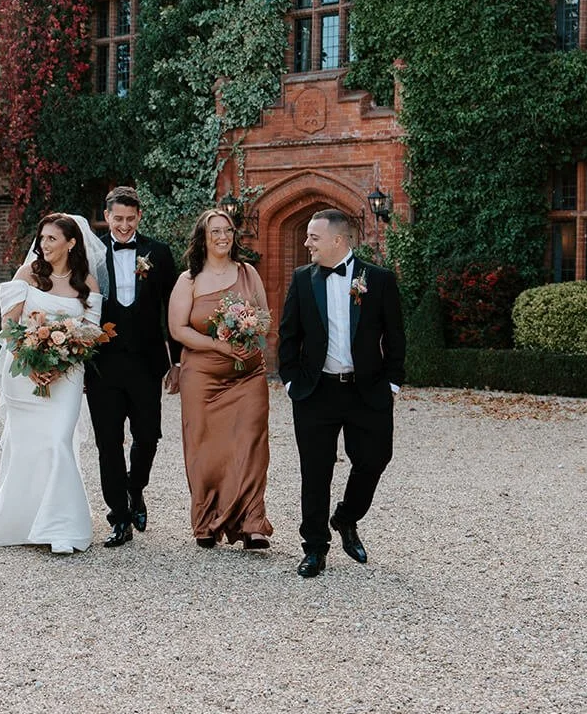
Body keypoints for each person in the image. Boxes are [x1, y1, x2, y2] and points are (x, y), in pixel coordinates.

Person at [277, 208, 405, 578]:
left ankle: (346, 517)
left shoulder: (378, 280)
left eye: (313, 238)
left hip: (367, 390)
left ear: (338, 240)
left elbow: (396, 337)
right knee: (314, 472)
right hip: (315, 392)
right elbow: (288, 336)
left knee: (375, 458)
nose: (306, 244)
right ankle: (314, 547)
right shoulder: (302, 279)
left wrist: (392, 382)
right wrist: (290, 381)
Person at [0, 214, 104, 554]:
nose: (43, 245)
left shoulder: (86, 282)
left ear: (71, 243)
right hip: (26, 375)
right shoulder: (26, 275)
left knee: (59, 441)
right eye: (42, 238)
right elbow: (8, 327)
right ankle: (20, 521)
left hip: (68, 378)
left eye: (51, 239)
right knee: (27, 446)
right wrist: (30, 364)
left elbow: (91, 333)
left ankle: (60, 527)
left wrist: (62, 365)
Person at [168, 208, 274, 548]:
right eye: (215, 231)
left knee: (251, 442)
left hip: (247, 375)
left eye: (227, 230)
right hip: (203, 377)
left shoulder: (248, 273)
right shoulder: (188, 279)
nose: (222, 237)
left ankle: (253, 522)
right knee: (206, 449)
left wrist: (248, 332)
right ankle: (207, 521)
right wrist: (219, 345)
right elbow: (178, 328)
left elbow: (265, 318)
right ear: (203, 237)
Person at [84, 186, 181, 548]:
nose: (124, 225)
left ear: (139, 217)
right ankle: (118, 517)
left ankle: (134, 488)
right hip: (102, 365)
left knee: (148, 436)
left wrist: (178, 362)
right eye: (117, 218)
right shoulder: (90, 255)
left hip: (146, 362)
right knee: (107, 443)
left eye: (130, 219)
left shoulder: (159, 252)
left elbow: (173, 309)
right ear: (106, 217)